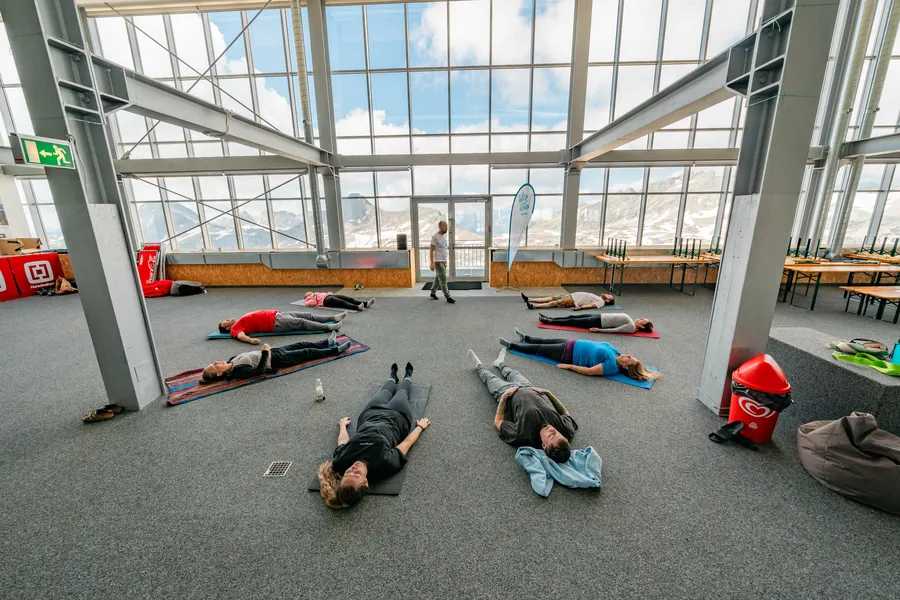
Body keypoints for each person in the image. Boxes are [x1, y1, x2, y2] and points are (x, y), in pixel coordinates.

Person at [317, 362, 430, 510]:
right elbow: (406, 444)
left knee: (385, 390)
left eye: (348, 473)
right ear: (365, 482)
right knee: (402, 393)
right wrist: (421, 427)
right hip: (398, 416)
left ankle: (392, 376)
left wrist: (343, 426)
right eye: (356, 474)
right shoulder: (385, 464)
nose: (353, 468)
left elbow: (343, 441)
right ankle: (408, 376)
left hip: (370, 414)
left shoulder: (341, 462)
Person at [467, 348, 577, 463]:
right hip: (529, 387)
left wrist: (504, 397)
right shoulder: (566, 430)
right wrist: (548, 394)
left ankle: (479, 365)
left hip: (507, 394)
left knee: (489, 378)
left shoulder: (523, 435)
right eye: (557, 433)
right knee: (512, 373)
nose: (552, 430)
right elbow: (565, 413)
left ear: (544, 445)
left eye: (550, 436)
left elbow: (498, 422)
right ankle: (499, 363)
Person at [500, 332, 658, 382]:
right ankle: (526, 337)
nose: (629, 356)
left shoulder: (611, 366)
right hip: (572, 343)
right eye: (631, 356)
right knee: (545, 340)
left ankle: (512, 346)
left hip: (568, 354)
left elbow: (589, 371)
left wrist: (568, 366)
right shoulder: (616, 353)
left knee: (539, 349)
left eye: (630, 360)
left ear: (625, 367)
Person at [200, 334, 351, 382]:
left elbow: (252, 356)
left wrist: (268, 350)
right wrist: (265, 352)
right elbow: (259, 371)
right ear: (219, 373)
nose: (216, 362)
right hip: (276, 360)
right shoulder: (237, 372)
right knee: (307, 352)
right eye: (214, 365)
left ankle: (327, 342)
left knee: (301, 344)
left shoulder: (231, 359)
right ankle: (335, 350)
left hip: (274, 352)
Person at [218, 309, 343, 344]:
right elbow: (241, 336)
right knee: (301, 322)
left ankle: (332, 318)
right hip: (276, 323)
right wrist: (251, 340)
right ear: (228, 328)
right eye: (225, 322)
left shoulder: (239, 320)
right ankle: (328, 328)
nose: (227, 320)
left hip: (278, 315)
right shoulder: (235, 328)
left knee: (307, 315)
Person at [538, 313, 653, 334]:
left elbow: (615, 330)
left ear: (642, 326)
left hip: (598, 322)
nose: (642, 318)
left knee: (571, 322)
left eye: (644, 320)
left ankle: (550, 321)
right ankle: (551, 318)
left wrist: (599, 330)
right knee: (572, 317)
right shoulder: (632, 322)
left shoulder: (631, 327)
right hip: (598, 316)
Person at [429, 220, 455, 304]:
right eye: (445, 226)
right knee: (443, 279)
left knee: (438, 278)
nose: (447, 228)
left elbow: (443, 248)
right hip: (438, 261)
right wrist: (432, 263)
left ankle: (432, 292)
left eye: (447, 226)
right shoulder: (435, 237)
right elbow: (431, 251)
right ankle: (448, 297)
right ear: (440, 227)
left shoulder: (443, 236)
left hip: (444, 261)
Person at [520, 291, 614, 310]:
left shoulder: (601, 302)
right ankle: (529, 299)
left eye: (610, 296)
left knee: (553, 303)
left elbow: (591, 305)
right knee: (551, 298)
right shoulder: (599, 297)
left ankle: (533, 306)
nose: (608, 295)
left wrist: (580, 308)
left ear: (608, 301)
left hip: (572, 300)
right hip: (571, 295)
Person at [304, 291, 375, 311]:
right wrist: (313, 297)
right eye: (309, 293)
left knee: (347, 298)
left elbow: (329, 293)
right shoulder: (308, 299)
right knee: (342, 303)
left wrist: (328, 293)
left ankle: (366, 304)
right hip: (325, 301)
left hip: (329, 296)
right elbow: (314, 303)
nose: (310, 292)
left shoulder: (316, 293)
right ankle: (357, 307)